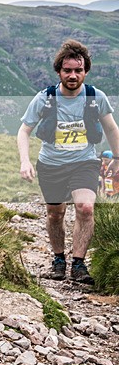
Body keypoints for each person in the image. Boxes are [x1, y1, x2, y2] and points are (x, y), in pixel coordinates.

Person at [17, 39, 119, 284]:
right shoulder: (44, 98)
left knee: (85, 207)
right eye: (67, 70)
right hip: (50, 165)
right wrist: (25, 161)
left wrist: (117, 158)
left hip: (84, 161)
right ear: (59, 71)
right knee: (55, 213)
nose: (73, 75)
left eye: (78, 70)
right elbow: (24, 131)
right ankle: (59, 260)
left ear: (85, 71)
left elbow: (111, 129)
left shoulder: (96, 97)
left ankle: (79, 264)